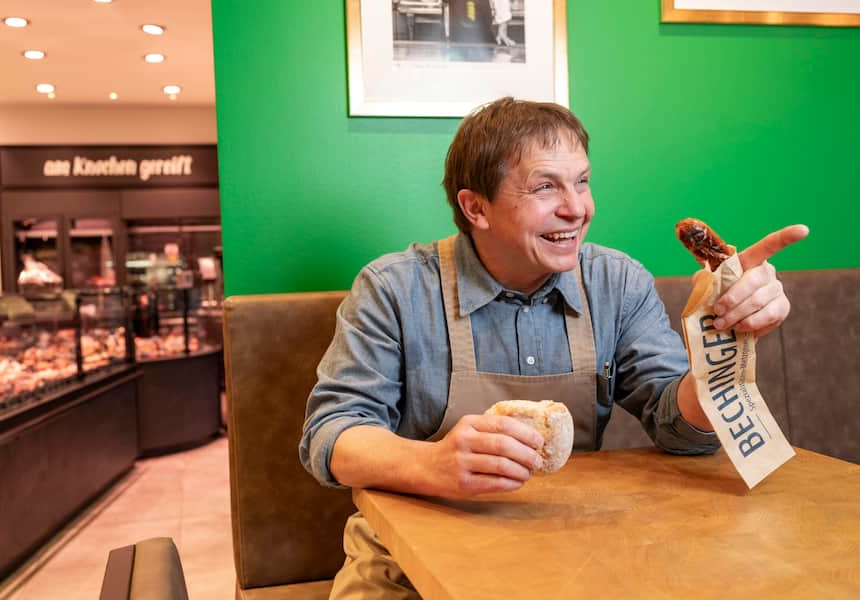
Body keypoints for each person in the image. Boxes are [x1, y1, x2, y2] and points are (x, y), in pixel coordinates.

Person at [300, 97, 808, 599]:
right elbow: (331, 435)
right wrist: (433, 465)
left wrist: (720, 349)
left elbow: (681, 432)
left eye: (582, 181)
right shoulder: (395, 288)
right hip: (404, 566)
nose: (577, 208)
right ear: (475, 207)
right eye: (545, 186)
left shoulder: (617, 283)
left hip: (571, 557)